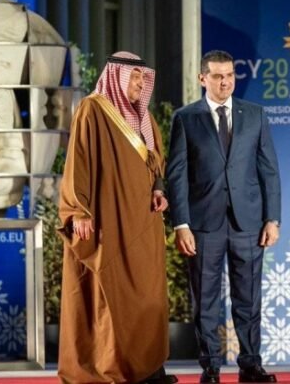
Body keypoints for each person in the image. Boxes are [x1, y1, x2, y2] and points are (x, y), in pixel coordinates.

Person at [58, 51, 177, 384]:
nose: (140, 83)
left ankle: (149, 368)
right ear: (116, 76)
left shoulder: (144, 117)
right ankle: (112, 367)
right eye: (134, 76)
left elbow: (156, 162)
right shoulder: (93, 110)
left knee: (147, 293)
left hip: (143, 222)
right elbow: (78, 161)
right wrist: (78, 210)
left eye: (143, 77)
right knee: (112, 295)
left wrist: (158, 189)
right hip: (108, 221)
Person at [166, 50, 281, 384]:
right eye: (217, 76)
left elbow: (269, 171)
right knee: (205, 301)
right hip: (203, 225)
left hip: (249, 223)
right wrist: (181, 224)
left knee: (249, 299)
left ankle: (250, 365)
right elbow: (177, 175)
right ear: (203, 78)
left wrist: (272, 219)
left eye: (230, 75)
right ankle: (211, 367)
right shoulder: (185, 118)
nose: (225, 82)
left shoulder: (255, 115)